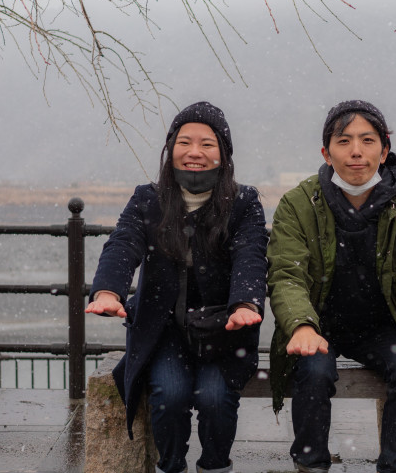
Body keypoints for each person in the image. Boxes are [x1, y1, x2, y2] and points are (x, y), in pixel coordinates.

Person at [267, 100, 396, 473]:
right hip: (319, 327)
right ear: (326, 152)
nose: (356, 151)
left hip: (384, 328)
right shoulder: (299, 204)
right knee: (312, 372)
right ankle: (311, 465)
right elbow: (286, 274)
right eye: (344, 140)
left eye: (368, 140)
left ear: (384, 150)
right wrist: (300, 324)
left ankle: (395, 467)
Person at [86, 101, 268, 473]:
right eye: (184, 142)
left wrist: (246, 303)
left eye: (207, 143)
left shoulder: (244, 202)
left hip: (222, 329)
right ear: (170, 149)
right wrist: (108, 291)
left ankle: (215, 467)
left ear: (224, 153)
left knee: (216, 398)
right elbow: (123, 244)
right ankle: (170, 467)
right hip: (162, 329)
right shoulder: (147, 199)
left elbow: (251, 254)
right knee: (170, 396)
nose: (195, 152)